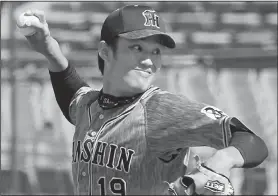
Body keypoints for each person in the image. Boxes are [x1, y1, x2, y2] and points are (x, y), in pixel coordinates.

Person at [20, 4, 268, 195]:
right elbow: (71, 93)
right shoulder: (89, 105)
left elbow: (251, 141)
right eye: (137, 48)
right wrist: (48, 47)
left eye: (156, 51)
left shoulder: (161, 109)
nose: (150, 60)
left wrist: (221, 160)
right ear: (105, 51)